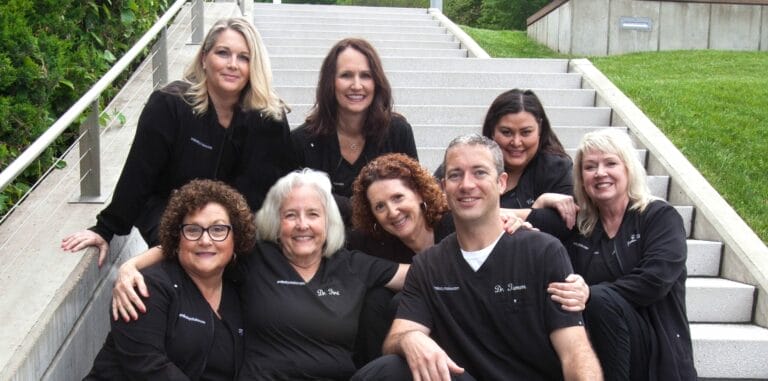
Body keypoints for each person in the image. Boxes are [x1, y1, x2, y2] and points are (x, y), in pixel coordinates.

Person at [112, 169, 409, 380]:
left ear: (328, 222)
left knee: (393, 369)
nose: (302, 224)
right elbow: (203, 244)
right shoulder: (256, 256)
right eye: (291, 215)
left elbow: (421, 275)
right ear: (277, 223)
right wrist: (132, 266)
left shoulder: (353, 265)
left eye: (313, 215)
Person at [353, 134, 602, 381]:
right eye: (455, 175)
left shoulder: (542, 251)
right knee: (388, 368)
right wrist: (410, 338)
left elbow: (575, 352)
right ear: (443, 187)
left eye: (479, 173)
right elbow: (398, 335)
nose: (466, 184)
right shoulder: (428, 265)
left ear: (501, 182)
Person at [62, 17, 294, 266]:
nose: (232, 65)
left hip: (234, 228)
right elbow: (139, 174)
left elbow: (273, 192)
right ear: (204, 58)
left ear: (254, 66)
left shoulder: (269, 119)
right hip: (169, 215)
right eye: (223, 53)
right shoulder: (169, 105)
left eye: (244, 57)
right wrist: (104, 230)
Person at [546, 129, 697, 380]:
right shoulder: (581, 227)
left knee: (601, 298)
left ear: (629, 169)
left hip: (658, 350)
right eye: (590, 166)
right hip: (602, 347)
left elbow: (655, 280)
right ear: (581, 178)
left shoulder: (658, 216)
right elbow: (531, 227)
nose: (600, 173)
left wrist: (591, 293)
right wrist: (542, 201)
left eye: (610, 163)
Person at [85, 179, 256, 379]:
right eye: (193, 230)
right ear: (177, 237)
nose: (205, 240)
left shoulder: (237, 294)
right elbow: (147, 367)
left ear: (235, 238)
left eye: (218, 230)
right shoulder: (146, 288)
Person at [291, 38, 418, 222]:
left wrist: (331, 201)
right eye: (346, 75)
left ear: (376, 82)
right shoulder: (301, 142)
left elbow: (414, 194)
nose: (357, 85)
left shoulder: (398, 133)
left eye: (366, 75)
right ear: (330, 82)